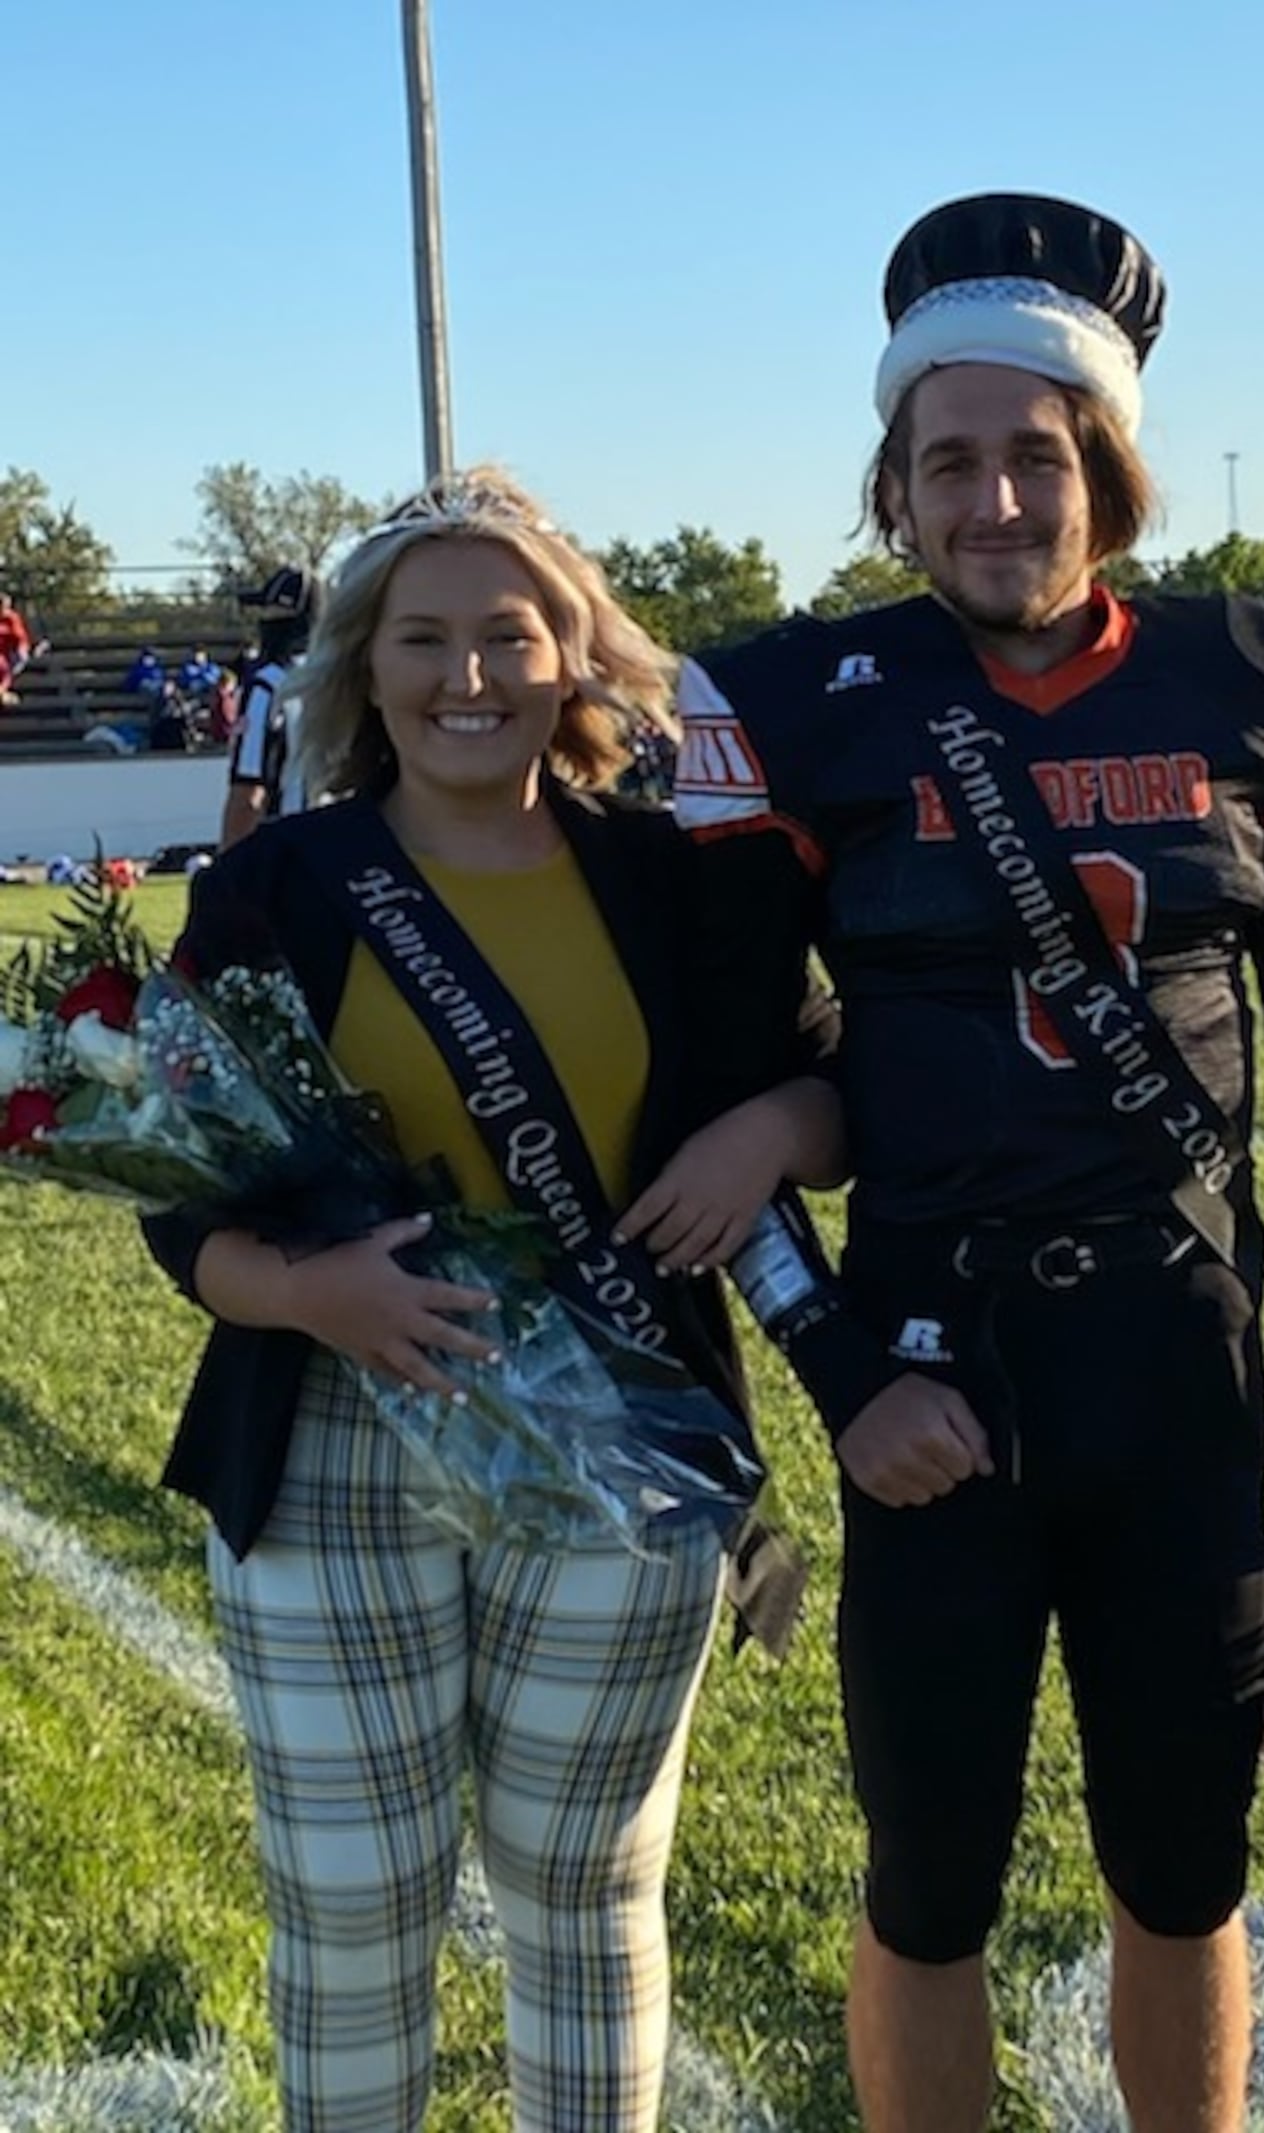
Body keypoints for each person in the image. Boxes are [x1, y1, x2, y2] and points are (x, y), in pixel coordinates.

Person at [668, 193, 1264, 2133]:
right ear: (894, 483)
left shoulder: (1242, 671)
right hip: (938, 1379)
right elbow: (703, 1112)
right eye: (949, 459)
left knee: (1181, 1868)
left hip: (1181, 1375)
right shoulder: (786, 701)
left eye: (1035, 454)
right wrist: (847, 1374)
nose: (992, 499)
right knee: (927, 1879)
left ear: (1102, 466)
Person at [141, 467, 848, 2133]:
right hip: (326, 1448)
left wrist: (767, 1127)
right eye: (425, 638)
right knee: (351, 1913)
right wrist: (313, 1293)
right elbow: (175, 1203)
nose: (469, 675)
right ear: (364, 669)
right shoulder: (274, 887)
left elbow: (829, 1080)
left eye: (508, 634)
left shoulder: (678, 878)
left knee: (586, 1892)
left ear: (571, 657)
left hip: (621, 1447)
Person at [220, 566, 319, 847]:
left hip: (295, 852)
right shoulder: (352, 681)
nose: (263, 622)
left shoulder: (270, 685)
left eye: (270, 612)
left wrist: (228, 876)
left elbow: (247, 794)